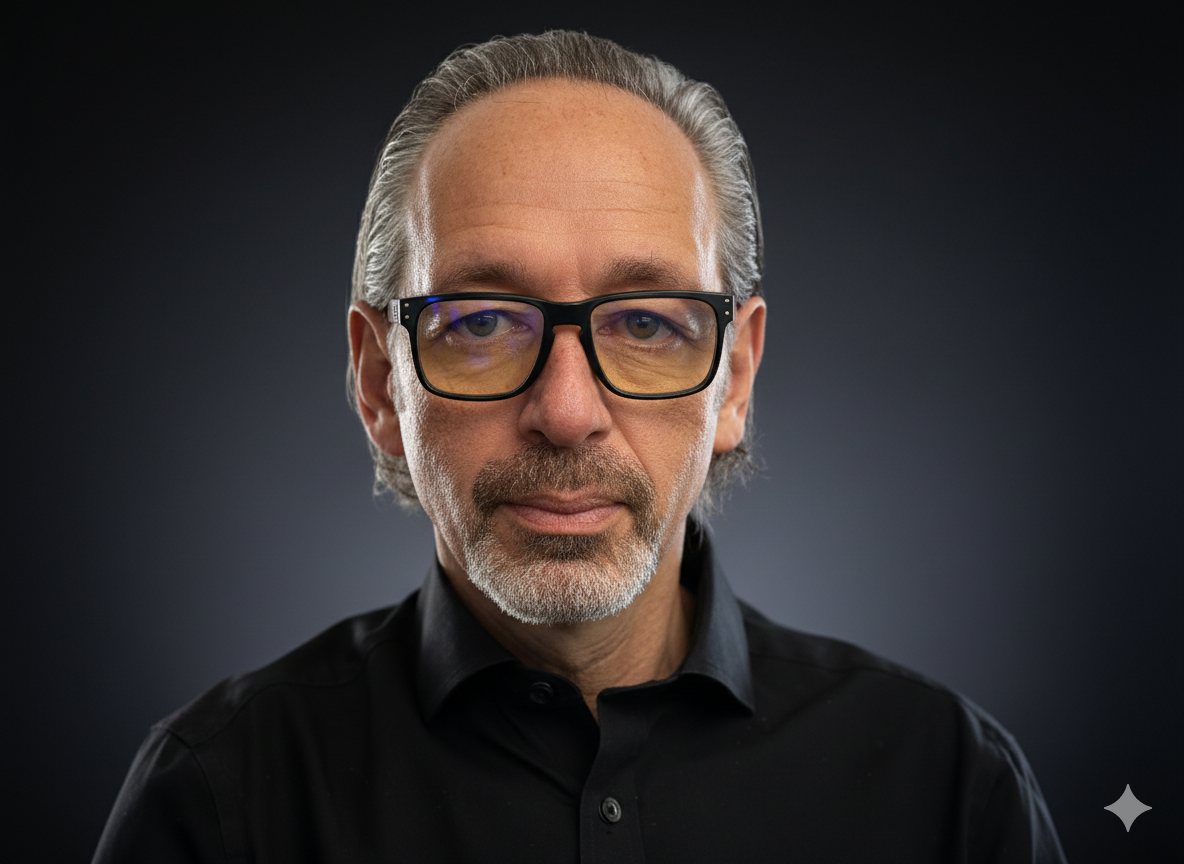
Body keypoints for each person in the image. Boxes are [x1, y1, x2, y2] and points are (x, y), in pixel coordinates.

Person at [93, 31, 1065, 862]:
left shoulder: (948, 790)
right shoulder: (222, 801)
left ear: (733, 379)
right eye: (479, 322)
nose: (565, 411)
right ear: (379, 382)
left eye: (645, 325)